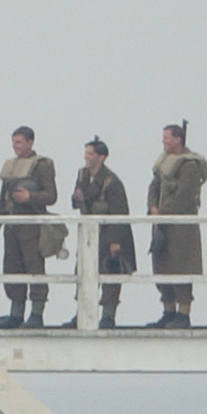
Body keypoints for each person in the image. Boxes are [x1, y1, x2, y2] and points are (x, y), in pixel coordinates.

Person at [147, 122, 207, 329]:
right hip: (162, 225)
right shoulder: (165, 162)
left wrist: (162, 212)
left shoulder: (189, 166)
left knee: (181, 267)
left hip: (181, 228)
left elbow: (184, 196)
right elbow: (154, 187)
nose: (163, 141)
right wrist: (153, 207)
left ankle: (183, 313)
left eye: (167, 137)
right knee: (162, 266)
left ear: (178, 139)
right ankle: (168, 311)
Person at [0, 126, 59, 329]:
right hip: (12, 224)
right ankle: (16, 313)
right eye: (14, 142)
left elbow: (51, 195)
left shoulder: (41, 166)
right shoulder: (11, 166)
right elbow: (3, 197)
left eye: (20, 142)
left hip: (31, 224)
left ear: (30, 142)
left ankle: (37, 313)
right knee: (12, 267)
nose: (16, 146)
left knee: (34, 266)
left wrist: (30, 197)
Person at [68, 137, 135, 329]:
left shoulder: (111, 182)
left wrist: (115, 242)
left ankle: (107, 316)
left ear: (101, 157)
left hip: (108, 234)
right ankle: (82, 314)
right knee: (84, 272)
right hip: (89, 234)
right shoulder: (82, 175)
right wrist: (77, 198)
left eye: (91, 153)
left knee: (110, 274)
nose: (86, 157)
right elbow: (77, 201)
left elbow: (119, 212)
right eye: (86, 153)